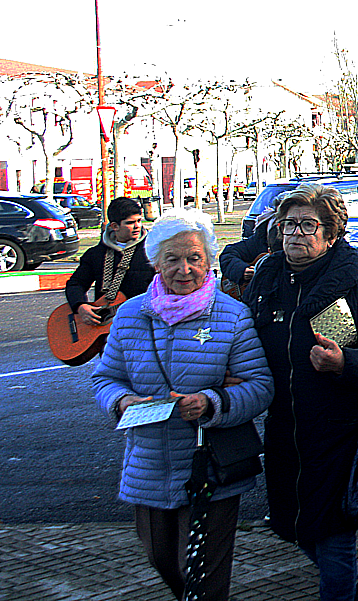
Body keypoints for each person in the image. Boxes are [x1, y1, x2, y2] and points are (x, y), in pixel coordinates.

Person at [92, 208, 273, 601]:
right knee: (163, 562)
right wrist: (120, 401)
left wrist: (211, 403)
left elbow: (260, 387)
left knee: (203, 578)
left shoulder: (232, 316)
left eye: (194, 257)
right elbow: (105, 378)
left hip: (210, 466)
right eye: (172, 259)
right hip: (148, 462)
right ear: (156, 262)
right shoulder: (129, 314)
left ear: (208, 259)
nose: (185, 268)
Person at [246, 184, 358, 600]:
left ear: (331, 235)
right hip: (284, 430)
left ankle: (344, 586)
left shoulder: (353, 285)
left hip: (340, 432)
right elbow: (243, 335)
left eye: (307, 225)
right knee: (292, 525)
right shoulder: (268, 275)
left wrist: (345, 364)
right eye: (288, 224)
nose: (295, 234)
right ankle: (354, 580)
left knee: (333, 538)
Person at [66, 197, 155, 325]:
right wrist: (80, 306)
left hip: (144, 322)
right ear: (114, 226)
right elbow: (76, 284)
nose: (137, 226)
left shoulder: (152, 251)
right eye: (130, 223)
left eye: (139, 220)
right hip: (106, 328)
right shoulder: (95, 254)